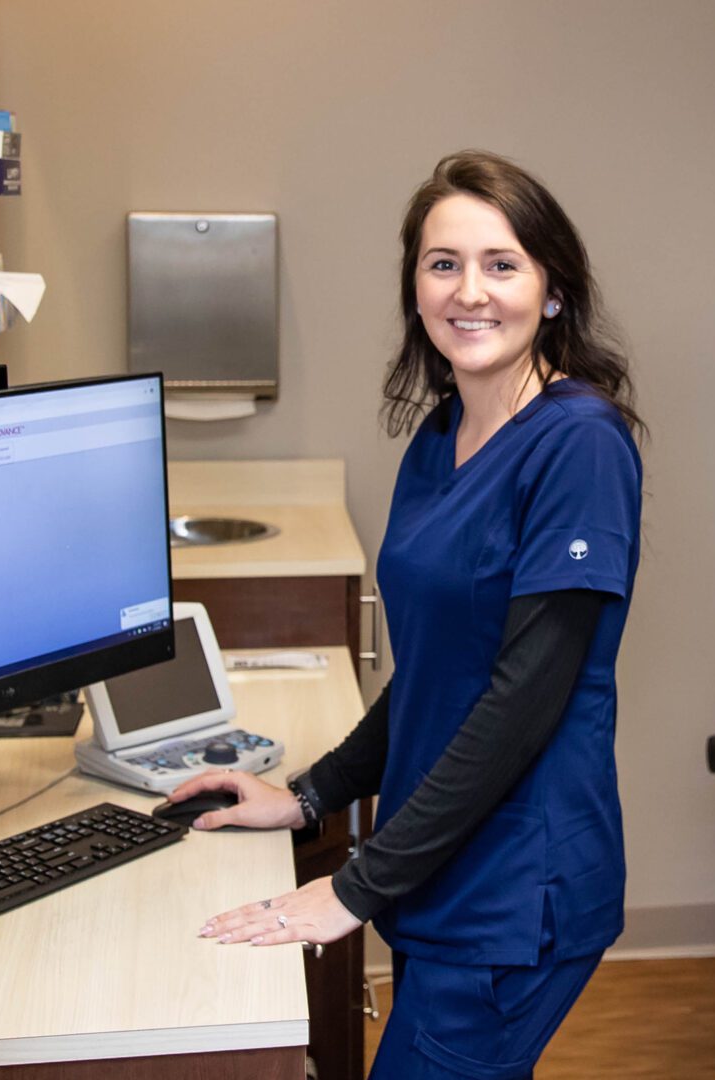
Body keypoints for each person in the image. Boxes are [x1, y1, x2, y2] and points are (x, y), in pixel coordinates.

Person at [169, 149, 644, 1079]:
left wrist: (356, 885)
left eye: (502, 264)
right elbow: (434, 675)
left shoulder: (580, 445)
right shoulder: (441, 439)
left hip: (515, 888)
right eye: (443, 264)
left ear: (552, 291)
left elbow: (521, 702)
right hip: (443, 867)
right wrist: (310, 795)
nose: (471, 291)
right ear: (416, 288)